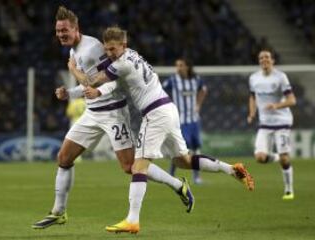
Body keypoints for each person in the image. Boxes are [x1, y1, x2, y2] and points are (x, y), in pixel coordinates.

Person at [32, 6, 195, 230]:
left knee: (130, 166)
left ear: (76, 28)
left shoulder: (93, 48)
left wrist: (75, 74)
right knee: (64, 158)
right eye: (58, 31)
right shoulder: (73, 51)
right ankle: (59, 212)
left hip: (113, 112)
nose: (61, 35)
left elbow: (106, 80)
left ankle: (178, 185)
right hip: (92, 113)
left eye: (65, 30)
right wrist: (69, 93)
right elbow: (87, 84)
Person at [81, 26, 255, 234]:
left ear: (123, 46)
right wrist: (100, 89)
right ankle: (232, 169)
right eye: (106, 50)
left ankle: (132, 220)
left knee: (138, 167)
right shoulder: (132, 55)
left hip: (155, 114)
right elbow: (111, 84)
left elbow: (92, 80)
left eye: (112, 49)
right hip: (168, 109)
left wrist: (74, 68)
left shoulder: (122, 64)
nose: (109, 54)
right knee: (183, 161)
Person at [247, 49, 296, 200]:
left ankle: (288, 190)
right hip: (265, 123)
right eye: (261, 58)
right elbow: (252, 97)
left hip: (282, 122)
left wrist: (276, 106)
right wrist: (252, 113)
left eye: (267, 57)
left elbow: (292, 100)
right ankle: (277, 157)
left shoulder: (280, 77)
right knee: (260, 158)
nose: (264, 60)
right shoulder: (254, 78)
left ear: (273, 60)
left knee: (286, 160)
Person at [162, 58, 208, 184]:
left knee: (196, 148)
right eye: (177, 65)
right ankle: (171, 174)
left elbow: (204, 89)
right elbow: (160, 90)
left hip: (194, 120)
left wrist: (198, 104)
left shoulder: (196, 79)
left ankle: (196, 177)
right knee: (182, 149)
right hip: (180, 121)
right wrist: (168, 105)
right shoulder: (173, 80)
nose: (178, 68)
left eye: (181, 65)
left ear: (187, 67)